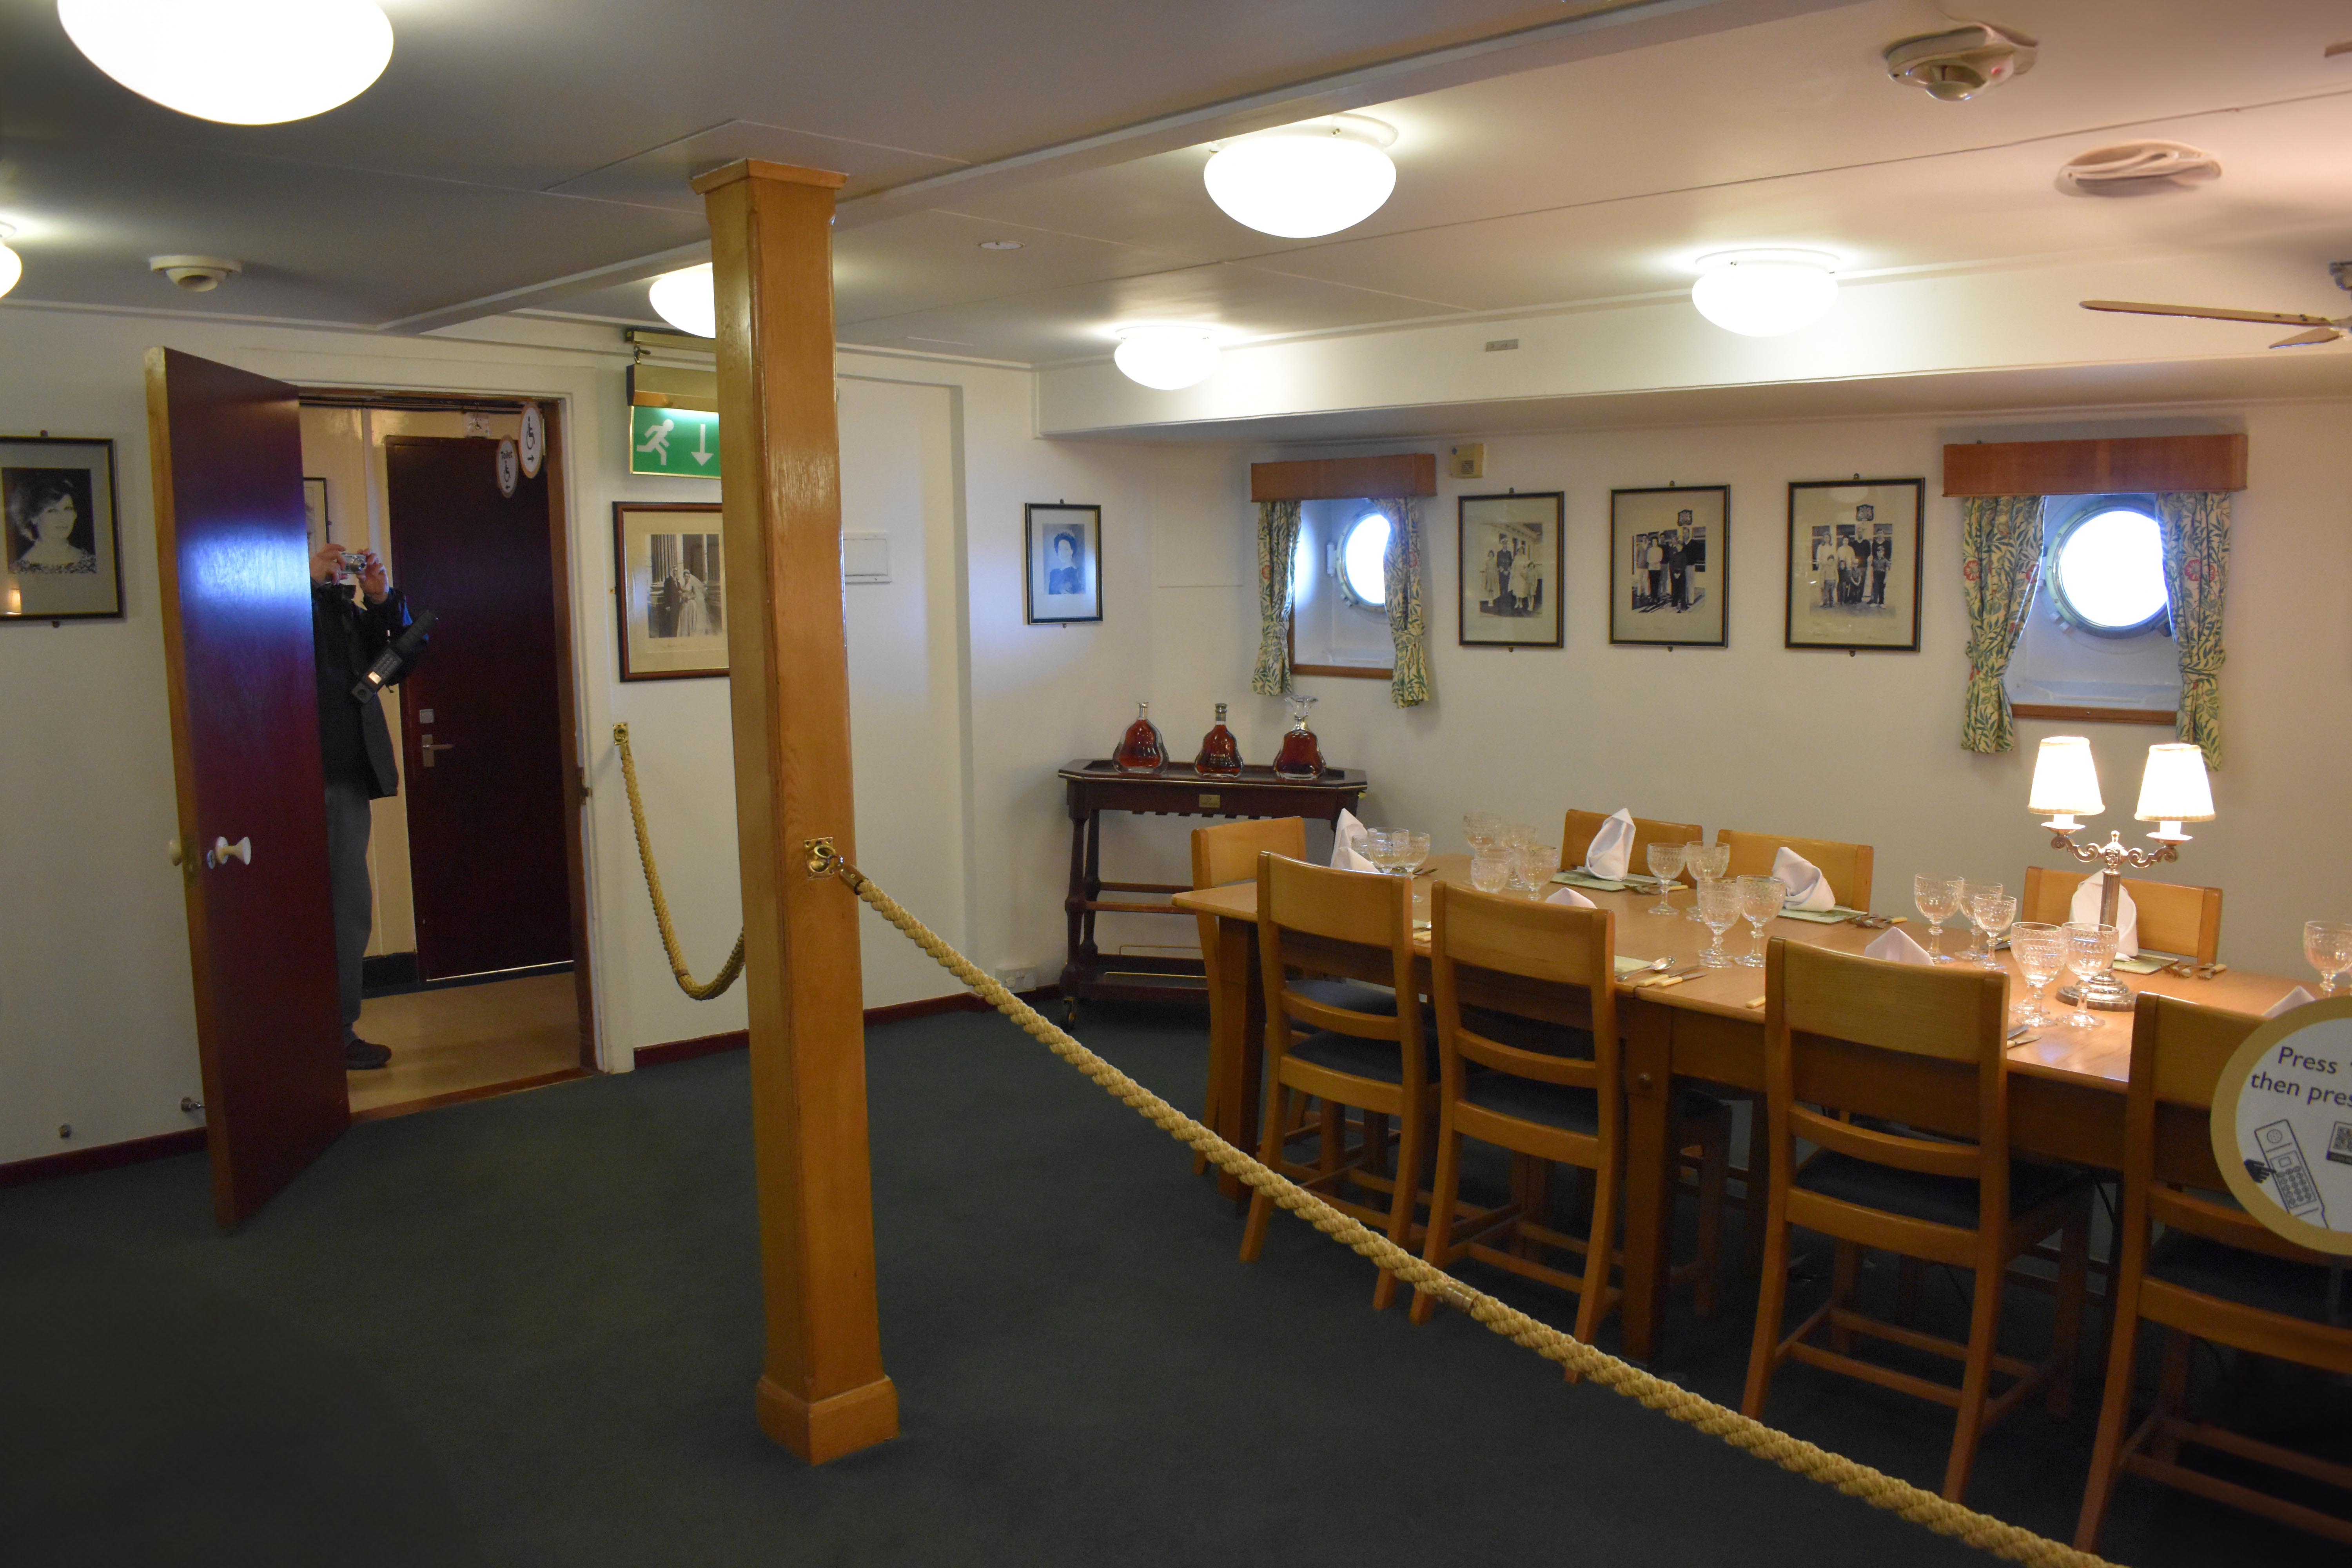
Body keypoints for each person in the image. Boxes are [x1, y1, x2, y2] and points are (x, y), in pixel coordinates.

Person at [310, 540, 427, 1071]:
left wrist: (380, 598)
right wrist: (308, 588)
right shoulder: (275, 606)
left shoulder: (343, 611)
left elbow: (395, 663)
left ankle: (338, 1031)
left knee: (348, 909)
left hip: (345, 778)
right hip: (286, 779)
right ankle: (304, 1036)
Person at [6, 475, 98, 574]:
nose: (63, 518)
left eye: (68, 509)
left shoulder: (92, 563)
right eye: (53, 511)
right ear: (34, 517)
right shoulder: (20, 570)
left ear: (75, 514)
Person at [1046, 531, 1083, 595]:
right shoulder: (1054, 574)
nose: (1063, 553)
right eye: (1060, 549)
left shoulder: (1078, 573)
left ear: (1072, 551)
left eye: (1066, 549)